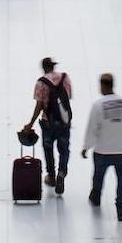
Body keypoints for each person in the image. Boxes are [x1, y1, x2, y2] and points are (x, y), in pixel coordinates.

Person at [81, 73, 122, 221]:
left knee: (98, 176)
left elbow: (92, 128)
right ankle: (121, 209)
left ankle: (96, 197)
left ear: (103, 85)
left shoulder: (98, 105)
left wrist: (86, 146)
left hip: (102, 150)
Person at [26, 58, 73, 197]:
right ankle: (62, 172)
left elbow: (39, 105)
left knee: (48, 148)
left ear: (43, 68)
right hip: (64, 121)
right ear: (53, 67)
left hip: (48, 122)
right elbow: (68, 97)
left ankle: (51, 177)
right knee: (64, 149)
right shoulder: (64, 77)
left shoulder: (41, 82)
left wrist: (30, 123)